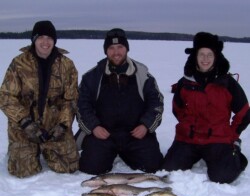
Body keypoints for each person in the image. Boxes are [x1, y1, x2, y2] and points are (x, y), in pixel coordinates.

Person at [161, 32, 250, 184]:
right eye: (202, 54)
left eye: (209, 55)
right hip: (189, 138)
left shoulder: (227, 83)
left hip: (218, 138)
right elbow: (178, 108)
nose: (205, 59)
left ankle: (234, 152)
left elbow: (244, 112)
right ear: (195, 56)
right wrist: (188, 126)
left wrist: (232, 133)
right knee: (169, 170)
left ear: (216, 57)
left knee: (222, 177)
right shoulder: (185, 82)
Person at [75, 28, 164, 175]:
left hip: (135, 134)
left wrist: (146, 125)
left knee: (153, 166)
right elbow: (81, 105)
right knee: (89, 168)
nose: (116, 52)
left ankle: (128, 154)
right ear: (106, 51)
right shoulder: (92, 77)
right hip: (103, 135)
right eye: (111, 48)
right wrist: (94, 127)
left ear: (127, 49)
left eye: (120, 47)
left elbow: (156, 103)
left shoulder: (142, 74)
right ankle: (107, 154)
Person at [0, 20, 79, 178]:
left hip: (54, 128)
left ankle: (48, 147)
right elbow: (6, 96)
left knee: (69, 168)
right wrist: (25, 122)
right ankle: (21, 149)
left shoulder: (66, 65)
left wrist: (63, 126)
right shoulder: (19, 63)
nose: (45, 42)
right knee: (22, 172)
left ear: (54, 41)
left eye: (49, 38)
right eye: (41, 37)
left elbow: (71, 100)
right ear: (34, 39)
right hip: (24, 128)